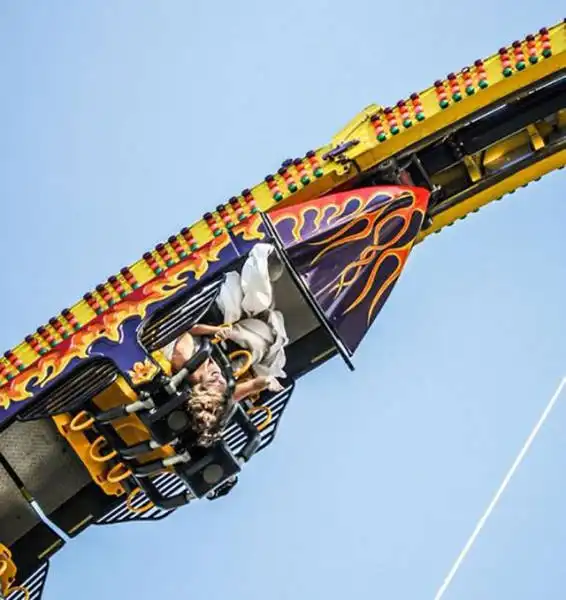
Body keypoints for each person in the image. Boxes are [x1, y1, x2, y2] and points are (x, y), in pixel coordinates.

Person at [159, 243, 288, 446]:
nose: (220, 379)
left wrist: (215, 331)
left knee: (253, 303)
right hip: (228, 330)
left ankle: (263, 254)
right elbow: (237, 392)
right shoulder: (216, 386)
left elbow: (186, 328)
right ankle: (263, 268)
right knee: (268, 340)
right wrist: (265, 382)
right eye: (222, 385)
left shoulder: (185, 359)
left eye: (215, 383)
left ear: (199, 387)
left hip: (210, 310)